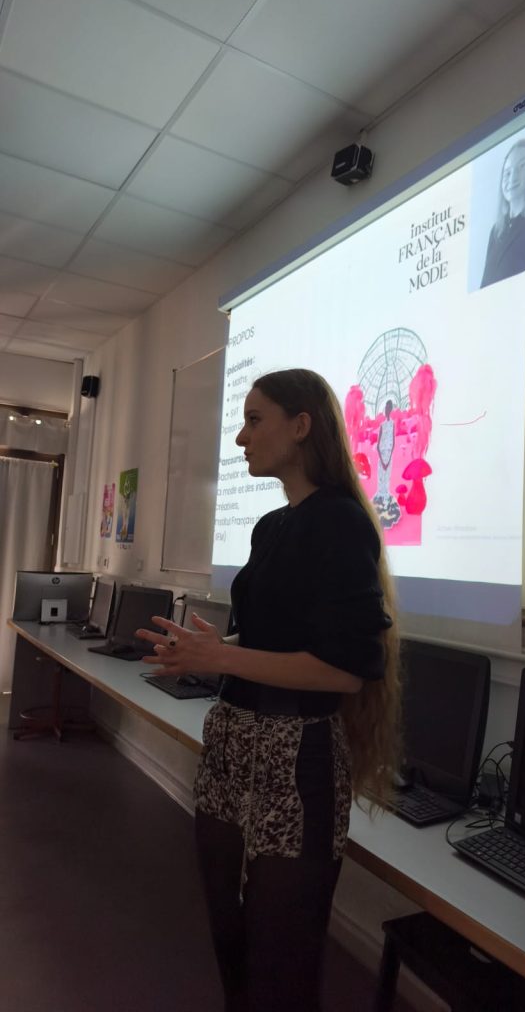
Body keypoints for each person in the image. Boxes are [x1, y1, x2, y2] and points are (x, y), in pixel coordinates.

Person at [136, 368, 400, 1012]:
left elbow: (344, 671)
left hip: (295, 762)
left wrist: (223, 655)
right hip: (232, 751)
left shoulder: (340, 522)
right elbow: (271, 642)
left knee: (280, 964)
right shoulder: (272, 526)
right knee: (231, 939)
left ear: (301, 425)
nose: (240, 438)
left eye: (254, 420)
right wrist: (208, 649)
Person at [480, 138, 525, 288]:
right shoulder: (496, 231)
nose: (512, 177)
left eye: (521, 166)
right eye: (508, 172)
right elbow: (484, 287)